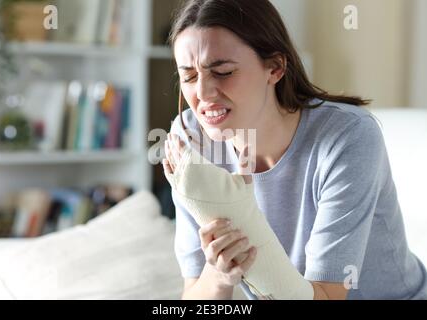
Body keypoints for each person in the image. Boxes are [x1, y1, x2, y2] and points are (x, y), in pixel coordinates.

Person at [162, 0, 427, 300]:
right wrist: (219, 276)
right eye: (189, 77)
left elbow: (326, 296)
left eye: (223, 72)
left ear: (275, 67)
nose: (203, 94)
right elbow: (194, 296)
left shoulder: (348, 137)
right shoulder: (190, 139)